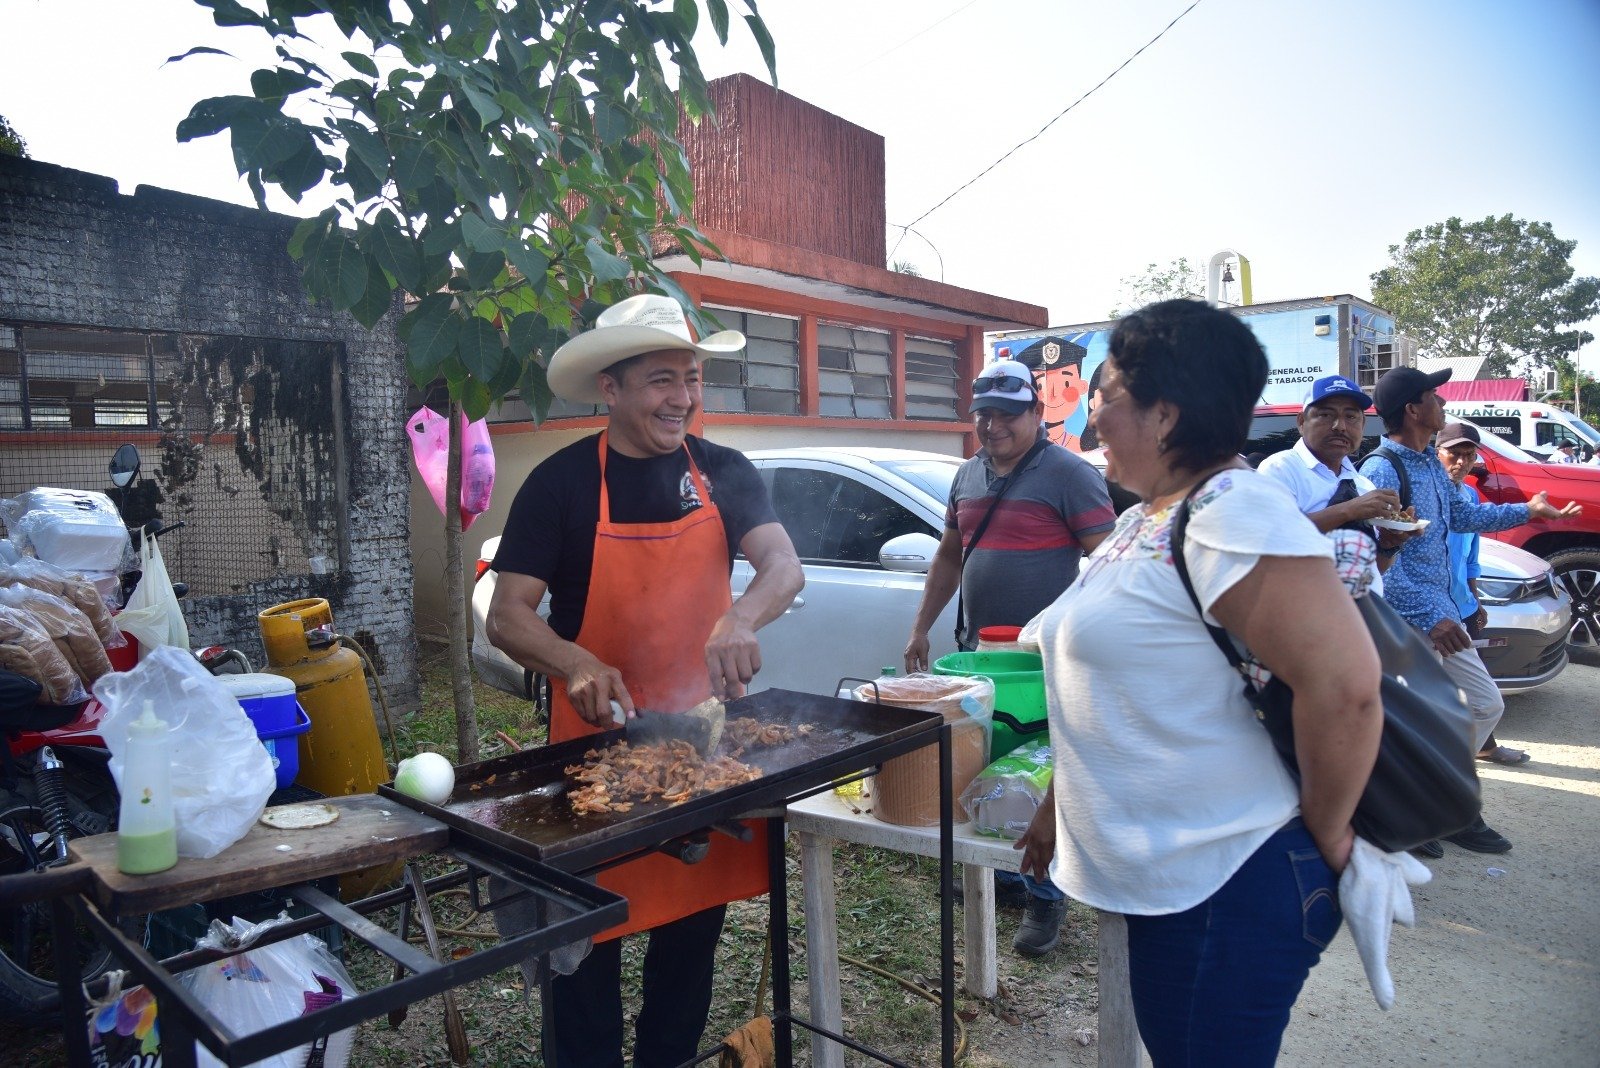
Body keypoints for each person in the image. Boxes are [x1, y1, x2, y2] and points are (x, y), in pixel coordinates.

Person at [1015, 300, 1383, 1064]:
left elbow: (1345, 687)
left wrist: (1325, 833)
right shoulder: (1147, 517)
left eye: (1106, 396)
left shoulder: (1232, 510)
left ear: (1165, 414)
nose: (1091, 421)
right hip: (1178, 885)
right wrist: (1059, 808)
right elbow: (1120, 690)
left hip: (1230, 882)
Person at [485, 292, 804, 1068]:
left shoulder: (723, 472)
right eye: (663, 379)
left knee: (687, 957)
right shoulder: (560, 484)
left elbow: (782, 567)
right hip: (595, 760)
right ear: (613, 388)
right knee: (583, 968)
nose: (684, 398)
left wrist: (740, 619)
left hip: (702, 757)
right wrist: (575, 662)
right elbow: (507, 615)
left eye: (693, 378)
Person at [903, 355, 1115, 957]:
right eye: (983, 415)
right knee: (985, 768)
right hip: (979, 656)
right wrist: (921, 627)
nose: (993, 426)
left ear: (1037, 412)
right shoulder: (967, 475)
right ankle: (1002, 876)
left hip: (1046, 663)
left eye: (1007, 414)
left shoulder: (1069, 476)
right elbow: (949, 556)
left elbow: (1110, 566)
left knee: (1041, 777)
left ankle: (1048, 898)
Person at [1358, 368, 1579, 856]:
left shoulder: (1428, 464)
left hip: (1443, 611)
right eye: (1433, 396)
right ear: (1413, 410)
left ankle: (1442, 802)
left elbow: (1460, 518)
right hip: (1409, 621)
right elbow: (1378, 561)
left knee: (1483, 705)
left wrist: (1528, 510)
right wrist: (1433, 617)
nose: (1441, 402)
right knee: (1418, 721)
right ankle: (1421, 811)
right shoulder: (1381, 470)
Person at [1257, 374, 1409, 594]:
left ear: (1363, 425)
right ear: (1301, 422)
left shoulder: (1362, 484)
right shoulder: (1281, 469)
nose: (1340, 426)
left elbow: (1372, 571)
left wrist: (1389, 544)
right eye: (1326, 415)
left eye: (1351, 417)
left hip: (1360, 616)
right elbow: (1271, 542)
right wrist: (1348, 510)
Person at [1436, 422, 1530, 767]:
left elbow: (1471, 557)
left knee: (1484, 697)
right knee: (1427, 698)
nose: (1460, 462)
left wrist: (1476, 601)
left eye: (1467, 454)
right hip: (1427, 613)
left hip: (1460, 605)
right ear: (1438, 454)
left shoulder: (1470, 496)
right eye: (1453, 454)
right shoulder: (1428, 494)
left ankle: (1471, 754)